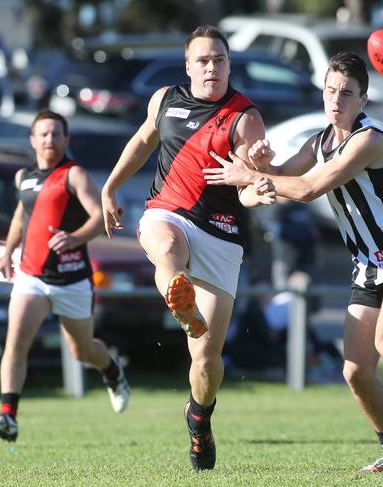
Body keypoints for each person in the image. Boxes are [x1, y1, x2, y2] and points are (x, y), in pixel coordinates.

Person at [205, 52, 383, 472]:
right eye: (331, 91)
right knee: (355, 371)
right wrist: (259, 166)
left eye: (347, 94)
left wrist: (256, 177)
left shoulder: (369, 141)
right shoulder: (319, 141)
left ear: (364, 99)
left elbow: (309, 187)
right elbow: (281, 178)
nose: (337, 100)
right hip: (368, 267)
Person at [100, 25, 275, 471]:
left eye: (219, 59)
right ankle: (178, 293)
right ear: (188, 65)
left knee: (206, 360)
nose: (211, 67)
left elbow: (250, 192)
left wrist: (261, 182)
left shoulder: (245, 118)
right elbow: (142, 142)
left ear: (229, 64)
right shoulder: (164, 99)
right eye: (203, 60)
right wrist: (111, 187)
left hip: (221, 234)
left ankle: (199, 418)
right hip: (168, 213)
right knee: (168, 246)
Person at [0, 110, 130, 443]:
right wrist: (7, 252)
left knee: (82, 351)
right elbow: (22, 214)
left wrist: (74, 237)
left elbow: (98, 217)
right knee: (16, 341)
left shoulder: (74, 175)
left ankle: (111, 369)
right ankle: (9, 417)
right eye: (43, 134)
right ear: (33, 140)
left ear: (66, 139)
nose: (49, 139)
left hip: (71, 279)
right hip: (32, 276)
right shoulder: (23, 177)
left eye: (55, 134)